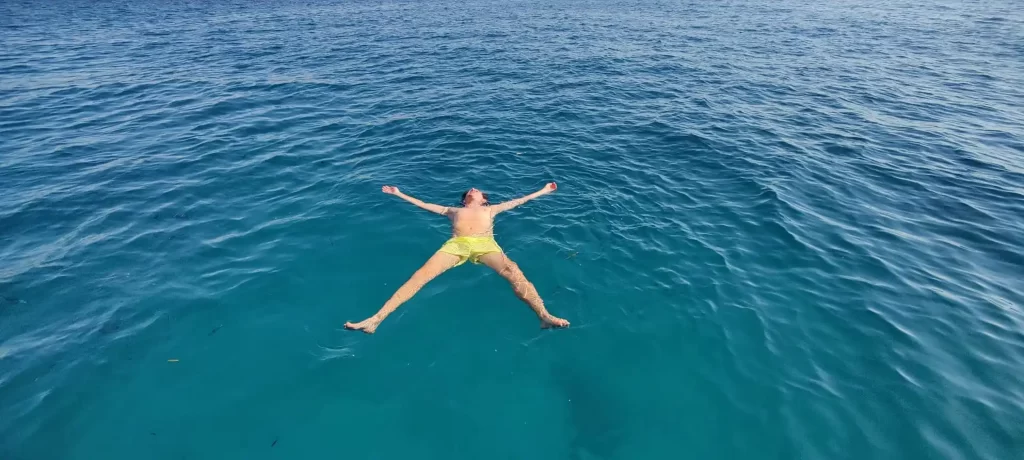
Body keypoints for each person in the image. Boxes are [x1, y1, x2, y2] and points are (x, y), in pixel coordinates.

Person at [344, 183, 570, 334]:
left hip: (485, 244)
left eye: (478, 190)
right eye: (470, 191)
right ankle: (377, 318)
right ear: (465, 201)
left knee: (514, 272)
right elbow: (425, 205)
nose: (473, 189)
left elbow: (520, 200)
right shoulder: (453, 211)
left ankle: (543, 315)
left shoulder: (491, 209)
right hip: (456, 245)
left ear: (484, 200)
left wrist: (543, 191)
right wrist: (398, 193)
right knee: (421, 276)